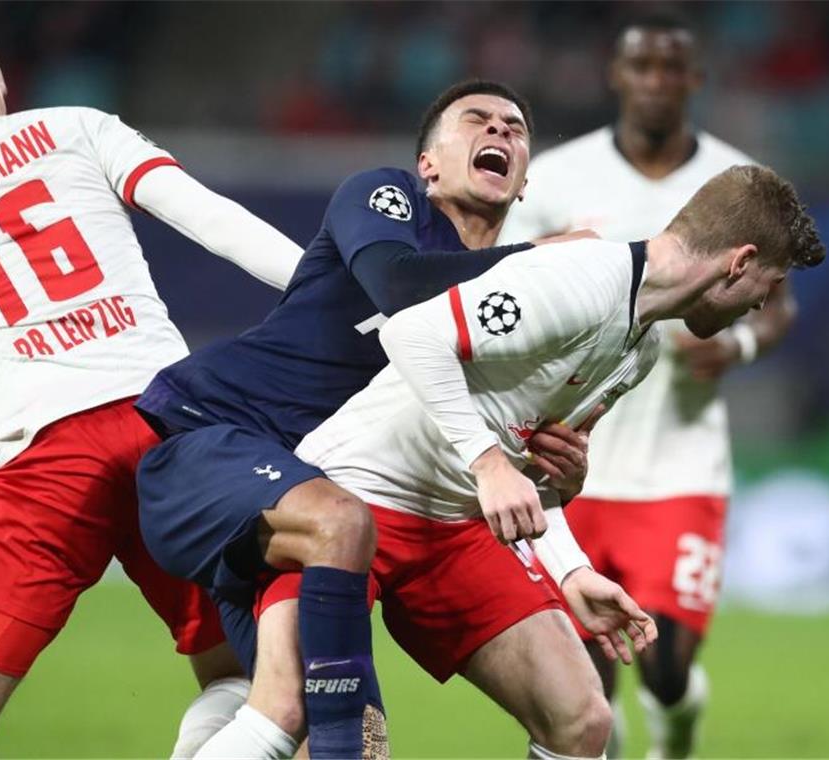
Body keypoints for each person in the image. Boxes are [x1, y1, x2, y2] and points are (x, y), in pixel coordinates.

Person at [279, 164, 826, 760]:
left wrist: (569, 569)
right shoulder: (582, 277)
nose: (761, 304)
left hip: (451, 532)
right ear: (739, 262)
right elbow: (412, 335)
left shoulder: (639, 348)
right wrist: (488, 463)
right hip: (349, 504)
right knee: (331, 739)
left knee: (582, 720)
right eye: (768, 284)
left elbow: (533, 470)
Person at [134, 80, 592, 759]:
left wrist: (560, 479)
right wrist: (536, 260)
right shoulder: (387, 197)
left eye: (515, 128)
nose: (500, 131)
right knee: (333, 716)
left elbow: (495, 451)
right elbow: (399, 286)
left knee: (580, 721)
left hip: (353, 503)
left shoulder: (517, 312)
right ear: (429, 164)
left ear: (523, 182)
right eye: (477, 120)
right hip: (219, 446)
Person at [0, 15, 305, 760]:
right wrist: (340, 297)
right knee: (236, 675)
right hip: (170, 428)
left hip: (45, 454)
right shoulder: (73, 126)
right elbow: (217, 223)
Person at [499, 12, 800, 758]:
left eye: (673, 69)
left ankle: (676, 734)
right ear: (618, 75)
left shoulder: (740, 182)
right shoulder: (559, 178)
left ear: (695, 79)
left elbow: (780, 307)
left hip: (681, 463)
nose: (658, 82)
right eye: (644, 67)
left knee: (665, 667)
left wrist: (739, 345)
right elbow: (509, 283)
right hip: (570, 465)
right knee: (591, 672)